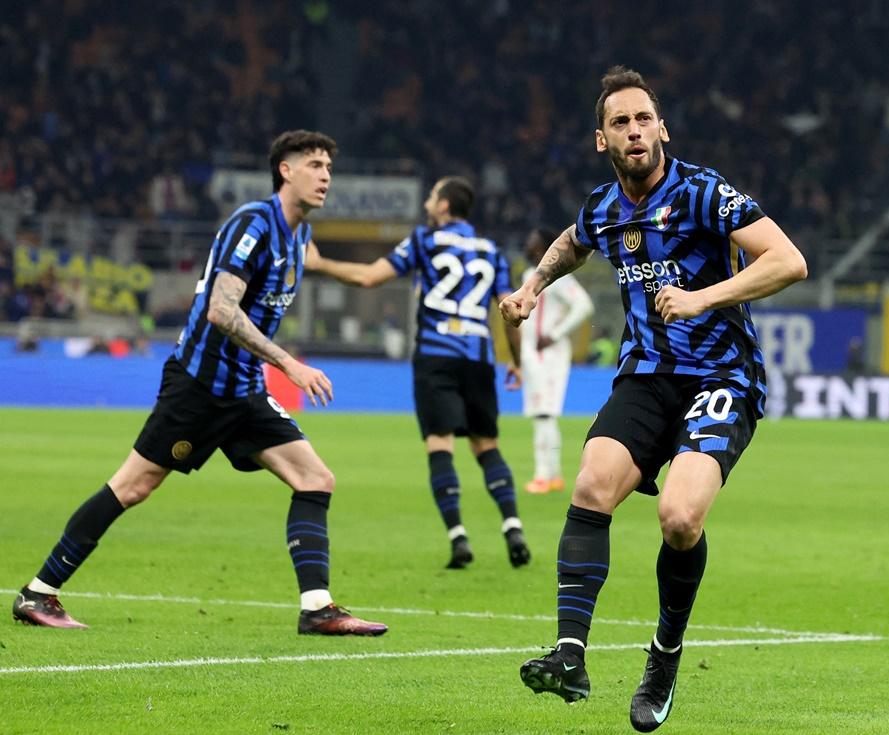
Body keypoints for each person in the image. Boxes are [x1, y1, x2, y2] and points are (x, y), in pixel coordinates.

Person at [500, 66, 807, 732]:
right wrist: (533, 287)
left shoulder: (702, 193)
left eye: (644, 119)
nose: (634, 132)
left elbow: (788, 260)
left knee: (678, 517)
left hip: (722, 377)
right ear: (601, 140)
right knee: (590, 484)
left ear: (661, 128)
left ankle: (664, 655)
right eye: (620, 123)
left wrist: (701, 296)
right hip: (644, 377)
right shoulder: (603, 208)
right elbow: (572, 241)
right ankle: (571, 656)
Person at [12, 130, 387, 636]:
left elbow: (326, 271)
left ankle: (318, 608)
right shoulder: (253, 223)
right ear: (285, 169)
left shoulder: (300, 236)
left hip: (243, 392)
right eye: (315, 164)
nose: (325, 176)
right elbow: (220, 309)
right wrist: (289, 365)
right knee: (132, 486)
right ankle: (39, 593)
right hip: (198, 386)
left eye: (329, 168)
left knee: (315, 479)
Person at [303, 176, 531, 570]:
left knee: (440, 445)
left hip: (435, 354)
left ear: (443, 206)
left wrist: (320, 263)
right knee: (486, 445)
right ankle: (512, 526)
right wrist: (516, 360)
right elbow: (510, 310)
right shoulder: (491, 250)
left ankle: (458, 537)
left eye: (432, 196)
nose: (427, 202)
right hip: (477, 358)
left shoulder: (425, 240)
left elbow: (369, 277)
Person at [519, 226, 595, 494]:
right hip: (533, 354)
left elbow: (584, 305)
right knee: (542, 415)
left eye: (531, 240)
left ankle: (543, 475)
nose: (527, 245)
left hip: (549, 354)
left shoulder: (558, 277)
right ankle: (552, 475)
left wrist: (555, 333)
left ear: (541, 248)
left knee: (544, 414)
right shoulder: (531, 276)